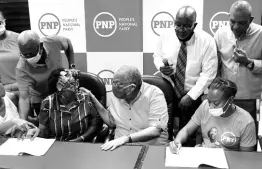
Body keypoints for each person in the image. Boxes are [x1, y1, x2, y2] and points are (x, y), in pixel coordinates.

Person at [153, 6, 218, 132]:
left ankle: (185, 145)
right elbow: (157, 55)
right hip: (168, 88)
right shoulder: (165, 36)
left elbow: (208, 74)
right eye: (178, 25)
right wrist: (161, 66)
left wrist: (191, 96)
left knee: (187, 129)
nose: (181, 30)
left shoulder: (207, 41)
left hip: (194, 91)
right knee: (164, 128)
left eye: (187, 26)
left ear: (194, 25)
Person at [88, 65, 169, 151]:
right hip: (121, 148)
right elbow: (111, 122)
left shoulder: (154, 94)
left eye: (119, 85)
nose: (114, 87)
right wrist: (93, 99)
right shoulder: (116, 95)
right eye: (114, 82)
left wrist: (125, 139)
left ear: (132, 87)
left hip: (150, 148)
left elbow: (155, 130)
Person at [169, 78, 256, 152]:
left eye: (216, 103)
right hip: (204, 157)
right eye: (209, 101)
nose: (211, 106)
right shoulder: (204, 106)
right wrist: (177, 141)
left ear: (230, 100)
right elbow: (187, 130)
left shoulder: (246, 121)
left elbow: (246, 157)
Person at [214, 1, 262, 131]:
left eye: (242, 23)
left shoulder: (260, 33)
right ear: (229, 16)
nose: (235, 27)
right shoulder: (220, 34)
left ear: (250, 20)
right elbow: (214, 65)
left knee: (248, 138)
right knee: (224, 137)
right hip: (225, 97)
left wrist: (249, 62)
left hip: (250, 98)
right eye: (232, 21)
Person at [27, 68, 103, 142]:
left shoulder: (86, 98)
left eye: (75, 82)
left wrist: (80, 138)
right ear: (59, 88)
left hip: (81, 144)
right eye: (70, 84)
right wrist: (36, 132)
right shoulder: (48, 103)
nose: (76, 87)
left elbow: (95, 125)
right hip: (57, 144)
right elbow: (43, 131)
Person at [16, 30, 75, 121]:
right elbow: (24, 98)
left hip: (62, 91)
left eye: (32, 54)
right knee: (47, 124)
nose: (29, 57)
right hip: (40, 97)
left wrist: (72, 66)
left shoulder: (53, 41)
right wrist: (22, 122)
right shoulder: (21, 68)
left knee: (69, 119)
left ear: (40, 45)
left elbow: (68, 43)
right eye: (25, 55)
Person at [0, 11, 20, 105]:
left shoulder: (19, 38)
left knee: (26, 119)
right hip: (3, 93)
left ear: (4, 21)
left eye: (0, 22)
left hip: (24, 89)